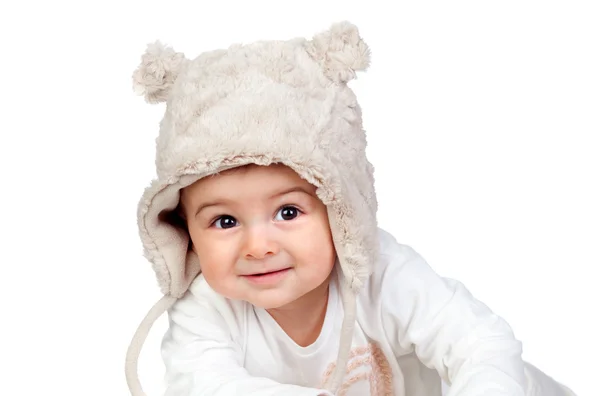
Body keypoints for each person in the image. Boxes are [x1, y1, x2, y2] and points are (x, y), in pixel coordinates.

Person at [125, 21, 576, 396]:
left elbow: (479, 342)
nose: (258, 246)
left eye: (288, 212)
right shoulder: (206, 308)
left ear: (339, 208)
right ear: (184, 230)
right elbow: (208, 386)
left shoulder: (381, 274)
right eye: (225, 221)